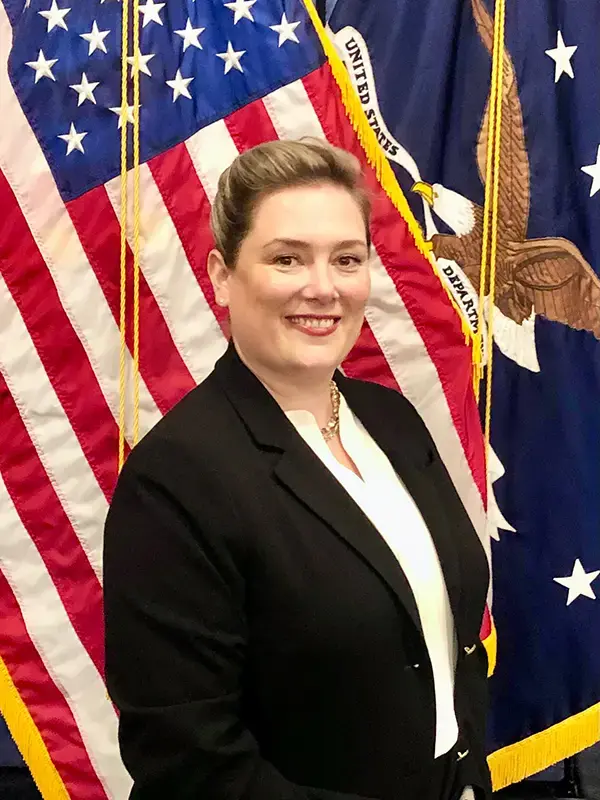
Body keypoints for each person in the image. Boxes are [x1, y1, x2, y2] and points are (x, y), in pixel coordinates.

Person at [103, 139, 491, 800]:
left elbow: (446, 644)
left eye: (347, 259)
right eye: (287, 258)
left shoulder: (392, 420)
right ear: (223, 275)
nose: (323, 287)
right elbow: (190, 766)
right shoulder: (174, 481)